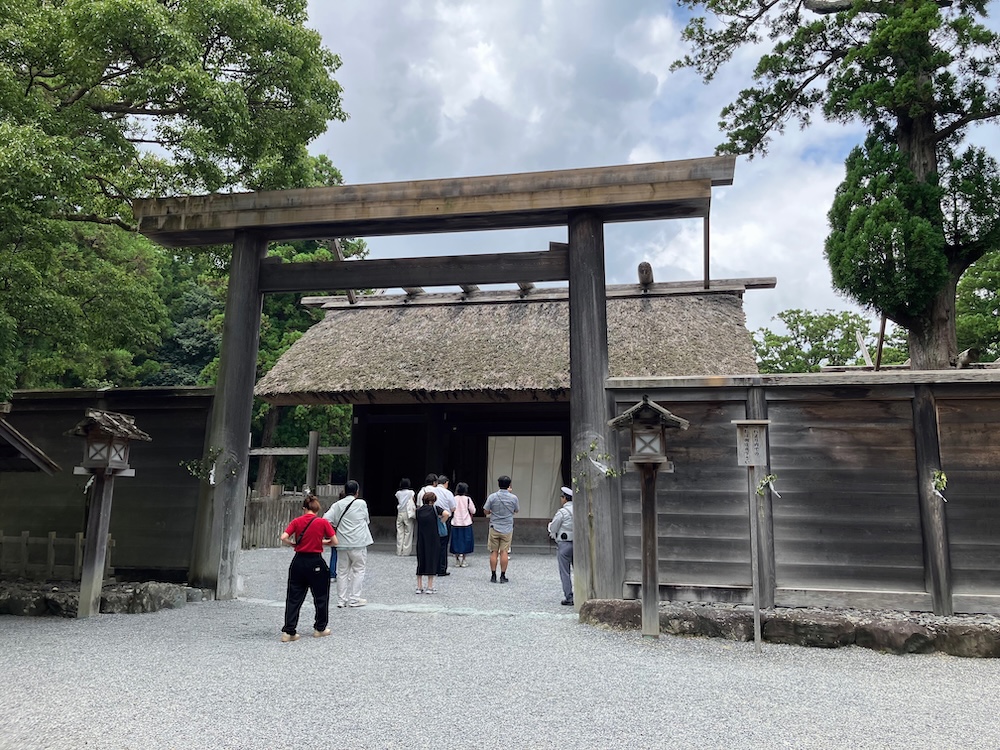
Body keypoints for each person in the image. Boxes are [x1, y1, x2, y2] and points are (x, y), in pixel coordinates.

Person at [279, 494, 337, 642]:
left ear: (304, 508)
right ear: (317, 509)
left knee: (294, 597)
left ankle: (289, 631)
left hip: (298, 561)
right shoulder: (322, 522)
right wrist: (322, 542)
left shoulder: (297, 521)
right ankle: (320, 628)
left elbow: (283, 537)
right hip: (315, 561)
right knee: (321, 596)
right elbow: (334, 541)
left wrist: (293, 544)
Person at [323, 479, 373, 608]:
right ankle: (354, 598)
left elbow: (325, 520)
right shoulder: (361, 503)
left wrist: (333, 530)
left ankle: (341, 600)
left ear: (345, 491)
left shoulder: (337, 505)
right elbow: (366, 520)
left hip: (342, 543)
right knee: (359, 570)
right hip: (358, 542)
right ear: (357, 491)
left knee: (342, 572)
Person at [483, 475, 519, 584]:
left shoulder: (492, 497)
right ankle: (503, 576)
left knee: (494, 551)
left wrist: (491, 512)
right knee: (504, 552)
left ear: (498, 484)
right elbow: (516, 510)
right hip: (507, 527)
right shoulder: (513, 498)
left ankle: (493, 575)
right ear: (509, 485)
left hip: (494, 526)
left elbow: (485, 510)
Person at [548, 486, 575, 605]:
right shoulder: (580, 509)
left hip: (564, 543)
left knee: (565, 571)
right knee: (579, 570)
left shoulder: (562, 512)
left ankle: (569, 596)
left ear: (565, 499)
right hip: (578, 544)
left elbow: (554, 527)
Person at [414, 491, 442, 594]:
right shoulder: (435, 509)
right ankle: (429, 587)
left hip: (421, 538)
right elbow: (447, 514)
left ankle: (419, 586)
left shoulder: (418, 511)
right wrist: (442, 521)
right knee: (431, 559)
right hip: (433, 538)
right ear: (432, 501)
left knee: (421, 560)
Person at [449, 481, 476, 567]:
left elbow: (451, 509)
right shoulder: (468, 499)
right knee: (466, 541)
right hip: (466, 522)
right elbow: (473, 510)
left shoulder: (454, 498)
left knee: (456, 541)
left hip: (456, 522)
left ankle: (457, 560)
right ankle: (464, 560)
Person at [434, 475, 457, 576]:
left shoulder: (432, 491)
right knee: (443, 544)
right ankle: (442, 568)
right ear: (446, 483)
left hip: (433, 519)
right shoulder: (448, 493)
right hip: (445, 518)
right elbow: (453, 508)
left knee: (433, 544)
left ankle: (433, 567)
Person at [395, 478, 416, 556]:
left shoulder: (398, 493)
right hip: (408, 513)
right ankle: (406, 551)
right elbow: (413, 500)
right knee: (408, 532)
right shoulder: (411, 492)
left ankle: (399, 550)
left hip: (400, 512)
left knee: (400, 532)